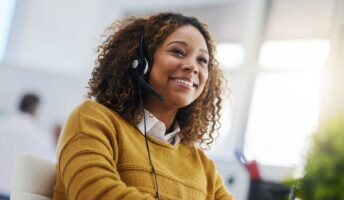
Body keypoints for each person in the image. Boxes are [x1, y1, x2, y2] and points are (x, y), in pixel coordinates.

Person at [53, 13, 234, 200]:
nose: (192, 66)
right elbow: (96, 194)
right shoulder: (93, 119)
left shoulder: (203, 165)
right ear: (141, 62)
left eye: (202, 60)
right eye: (178, 52)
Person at [0, 93, 55, 199]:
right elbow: (50, 165)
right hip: (16, 194)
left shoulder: (2, 124)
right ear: (34, 108)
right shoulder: (40, 134)